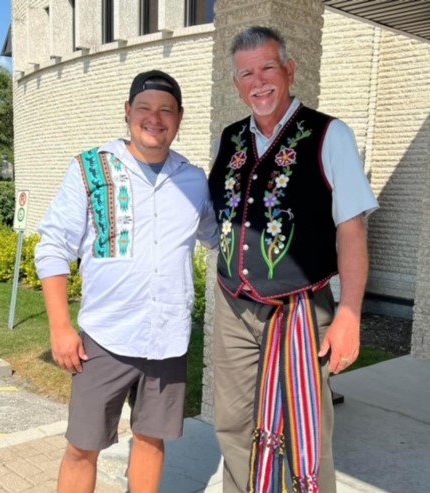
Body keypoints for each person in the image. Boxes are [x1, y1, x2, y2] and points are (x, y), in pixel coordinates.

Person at [208, 26, 379, 493]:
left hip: (302, 308)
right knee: (233, 423)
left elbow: (351, 229)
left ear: (289, 69)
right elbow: (213, 213)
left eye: (267, 67)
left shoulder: (329, 134)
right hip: (234, 304)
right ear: (236, 82)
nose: (258, 81)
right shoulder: (231, 138)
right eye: (246, 73)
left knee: (306, 426)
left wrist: (350, 313)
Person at [35, 69, 218, 493]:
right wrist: (61, 328)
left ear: (180, 118)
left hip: (168, 339)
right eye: (145, 108)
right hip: (105, 337)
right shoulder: (90, 169)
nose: (155, 118)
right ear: (127, 112)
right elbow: (53, 247)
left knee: (152, 440)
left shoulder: (193, 181)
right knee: (83, 446)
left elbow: (216, 236)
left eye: (166, 110)